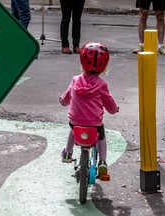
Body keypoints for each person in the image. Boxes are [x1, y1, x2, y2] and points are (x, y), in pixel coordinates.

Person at [59, 42, 119, 176]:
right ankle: (102, 162)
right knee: (101, 136)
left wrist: (62, 101)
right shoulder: (102, 85)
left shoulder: (75, 80)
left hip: (75, 120)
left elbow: (66, 97)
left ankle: (68, 153)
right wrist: (114, 110)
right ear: (103, 68)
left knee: (73, 130)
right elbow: (109, 103)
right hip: (94, 123)